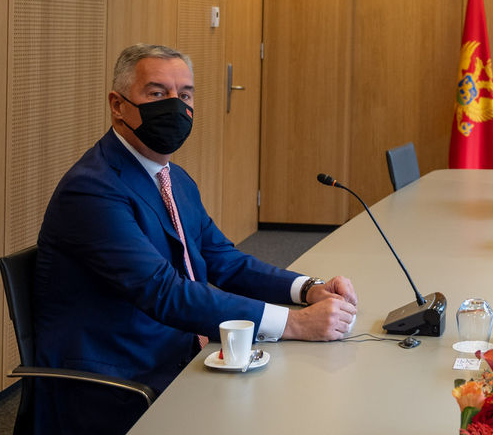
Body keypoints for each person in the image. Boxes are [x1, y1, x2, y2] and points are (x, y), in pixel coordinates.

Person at [33, 44, 358, 434]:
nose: (175, 106)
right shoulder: (92, 189)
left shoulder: (175, 179)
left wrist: (309, 290)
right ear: (117, 105)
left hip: (182, 351)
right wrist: (295, 324)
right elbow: (163, 292)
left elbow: (225, 259)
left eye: (184, 95)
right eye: (157, 94)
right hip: (121, 380)